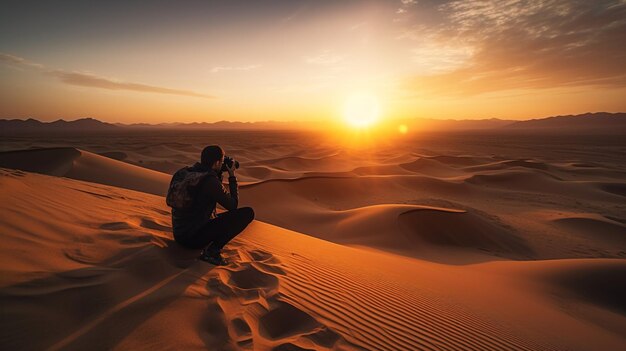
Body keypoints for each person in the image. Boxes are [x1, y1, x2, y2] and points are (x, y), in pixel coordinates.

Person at [171, 145, 254, 265]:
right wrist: (232, 176)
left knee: (215, 217)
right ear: (216, 163)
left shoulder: (185, 173)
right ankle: (212, 252)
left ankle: (208, 246)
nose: (223, 164)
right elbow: (232, 205)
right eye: (222, 161)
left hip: (179, 235)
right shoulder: (209, 181)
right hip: (193, 239)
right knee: (247, 213)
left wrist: (217, 174)